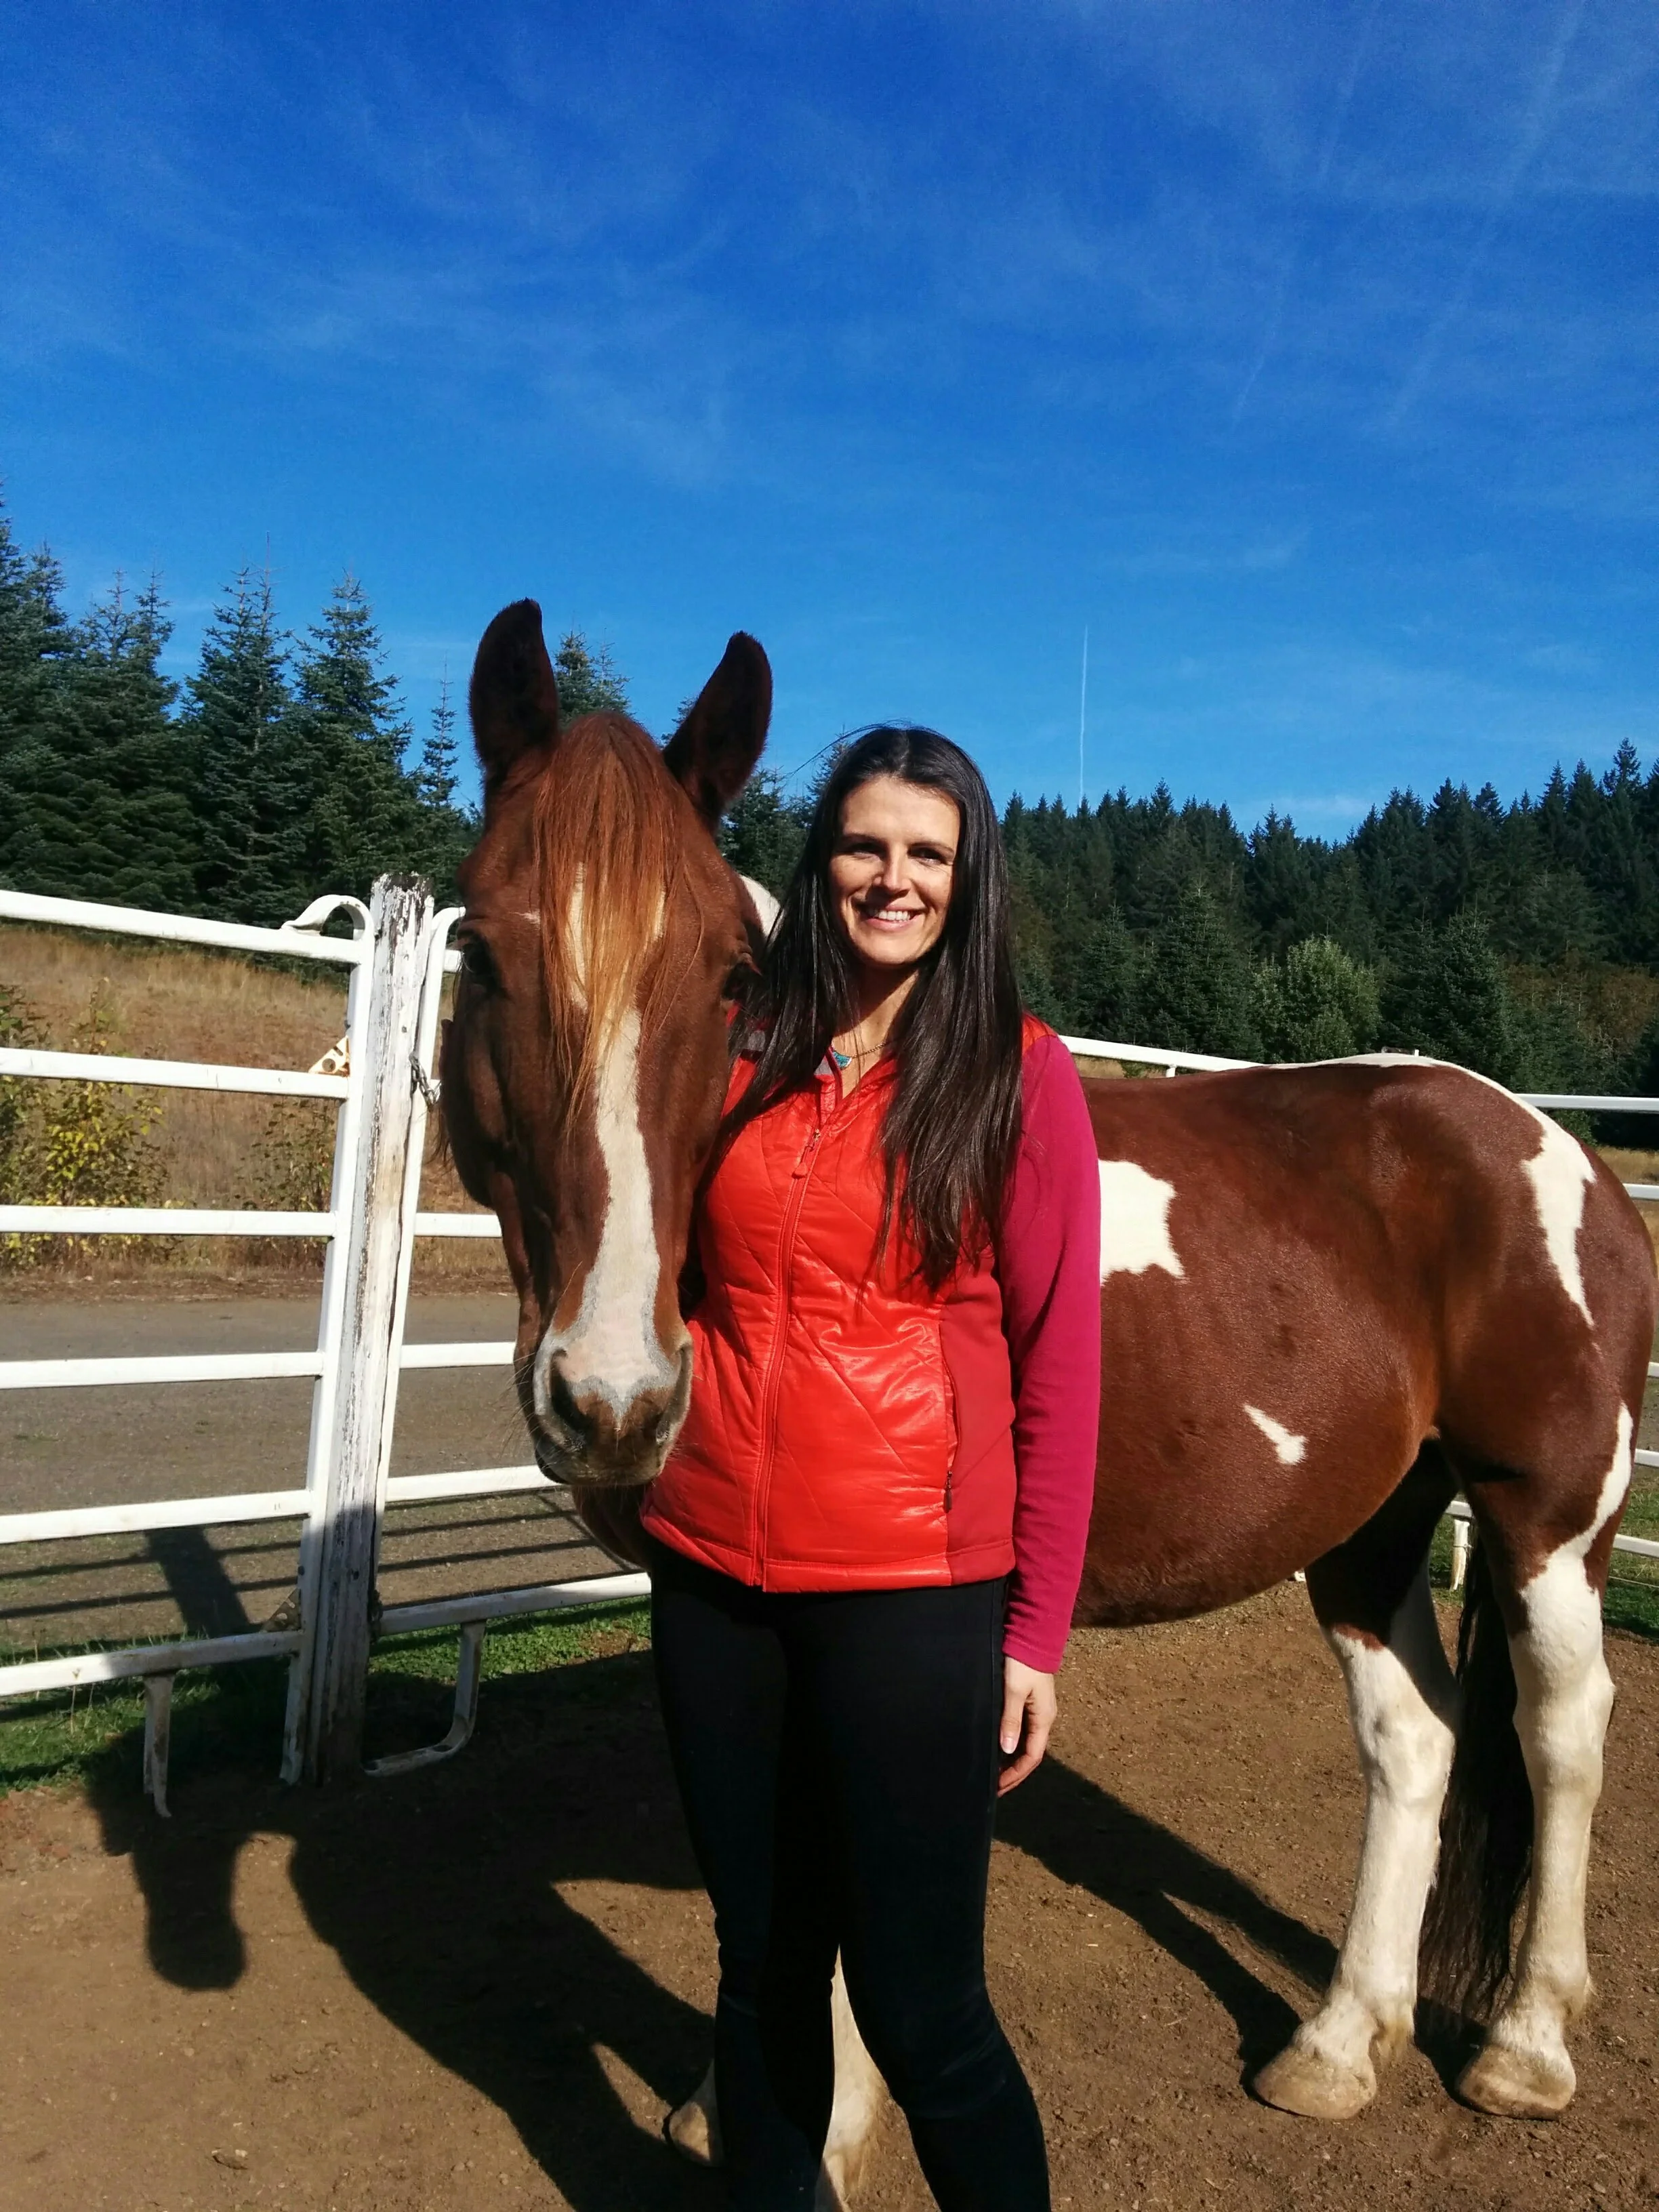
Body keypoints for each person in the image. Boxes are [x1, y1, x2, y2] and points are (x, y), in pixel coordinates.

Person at [640, 726, 1102, 2211]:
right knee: (759, 1972)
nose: (891, 878)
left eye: (927, 854)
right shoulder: (730, 1052)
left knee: (920, 2008)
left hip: (913, 1591)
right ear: (819, 859)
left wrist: (1032, 1629)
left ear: (968, 885)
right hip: (712, 1572)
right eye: (864, 844)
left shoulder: (1020, 1079)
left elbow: (1063, 1370)